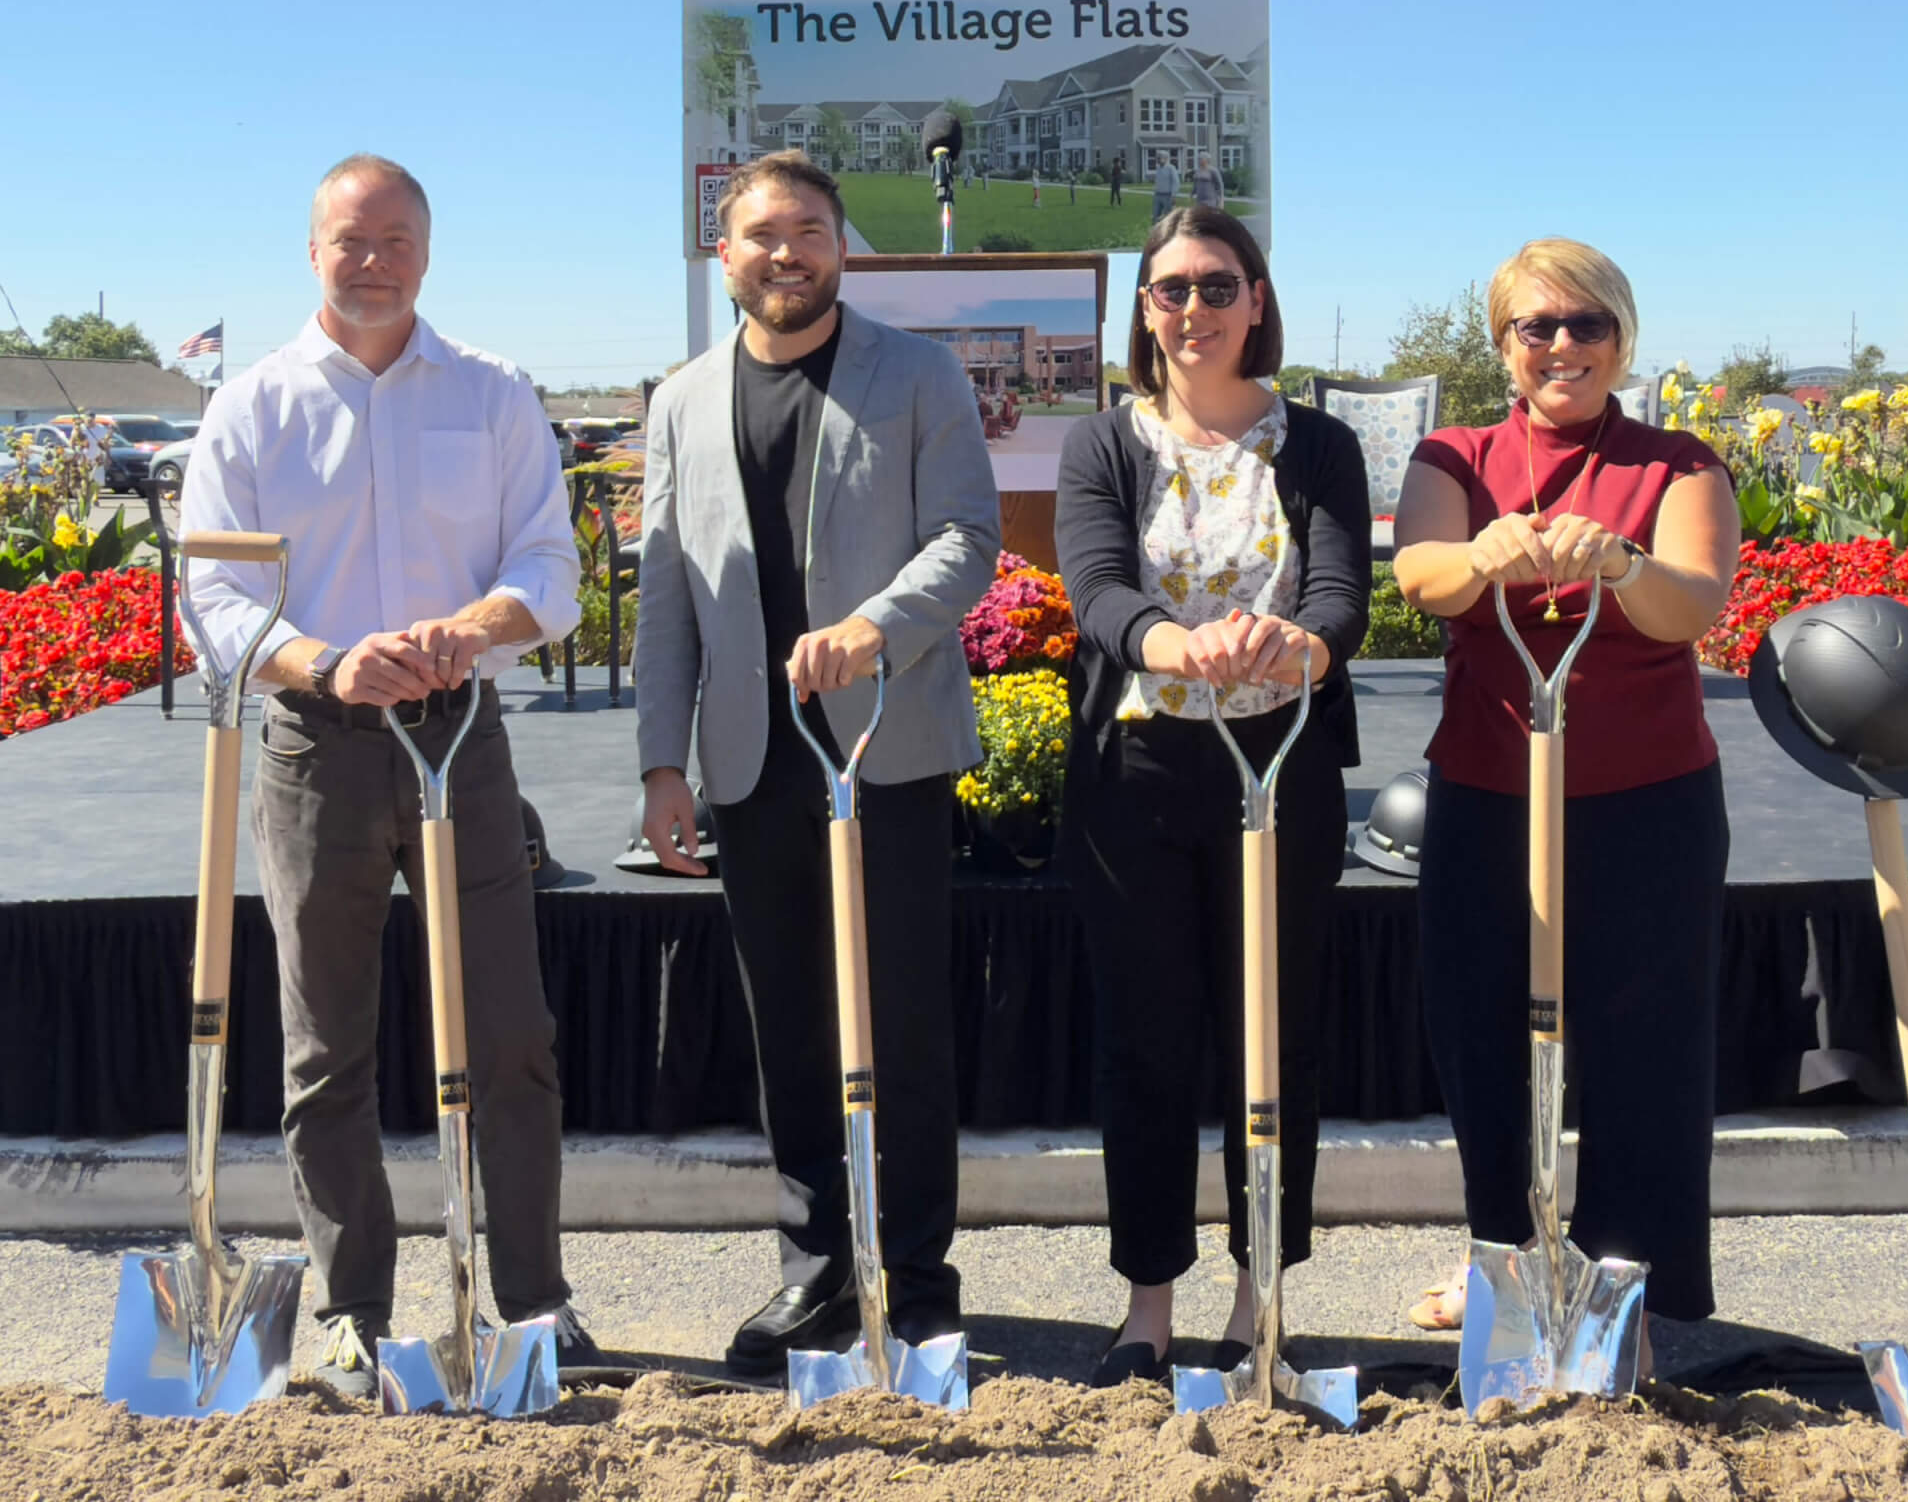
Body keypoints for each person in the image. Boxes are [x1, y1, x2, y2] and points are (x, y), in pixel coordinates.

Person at [180, 154, 597, 1397]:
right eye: (351, 239)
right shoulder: (250, 407)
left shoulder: (491, 393)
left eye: (397, 237)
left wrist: (468, 627)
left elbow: (550, 567)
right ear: (312, 250)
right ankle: (356, 1306)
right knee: (327, 1044)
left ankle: (530, 1298)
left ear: (428, 249)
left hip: (460, 737)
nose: (375, 259)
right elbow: (212, 589)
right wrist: (319, 658)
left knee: (508, 1031)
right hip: (316, 744)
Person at [635, 150, 1001, 1373]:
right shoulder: (681, 398)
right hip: (748, 760)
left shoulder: (919, 373)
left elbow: (968, 537)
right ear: (720, 254)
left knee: (900, 1019)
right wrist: (660, 759)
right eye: (759, 232)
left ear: (842, 246)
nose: (784, 251)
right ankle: (815, 1269)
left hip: (882, 745)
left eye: (807, 229)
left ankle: (918, 1272)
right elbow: (666, 597)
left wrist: (874, 626)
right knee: (788, 1018)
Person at [1391, 238, 1739, 1373]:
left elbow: (1691, 605)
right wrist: (1483, 552)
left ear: (1620, 340)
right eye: (1534, 326)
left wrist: (1623, 564)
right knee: (1481, 1034)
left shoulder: (1676, 463)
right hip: (1489, 787)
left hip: (1644, 798)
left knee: (1643, 1046)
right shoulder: (1456, 452)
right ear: (1502, 347)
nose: (1560, 345)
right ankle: (1505, 1254)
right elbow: (1419, 576)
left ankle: (1619, 1287)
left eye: (1585, 324)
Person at [1055, 208, 1370, 1385]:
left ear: (1254, 300)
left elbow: (1342, 589)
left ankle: (1258, 1295)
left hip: (1278, 766)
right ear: (1143, 312)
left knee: (1270, 1034)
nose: (1193, 309)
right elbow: (1090, 578)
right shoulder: (1105, 440)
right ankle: (1147, 1300)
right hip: (1136, 772)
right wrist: (1168, 643)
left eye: (1216, 286)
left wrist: (1288, 642)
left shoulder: (1316, 442)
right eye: (1169, 290)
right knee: (1143, 1039)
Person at [1150, 154, 1181, 222]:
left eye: (1159, 158)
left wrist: (1173, 195)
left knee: (1167, 216)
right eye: (1157, 158)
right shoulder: (1158, 168)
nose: (1158, 160)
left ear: (1166, 158)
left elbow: (1176, 182)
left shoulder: (1171, 168)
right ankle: (1156, 230)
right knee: (1155, 215)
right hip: (1157, 195)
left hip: (1167, 195)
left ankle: (1167, 231)